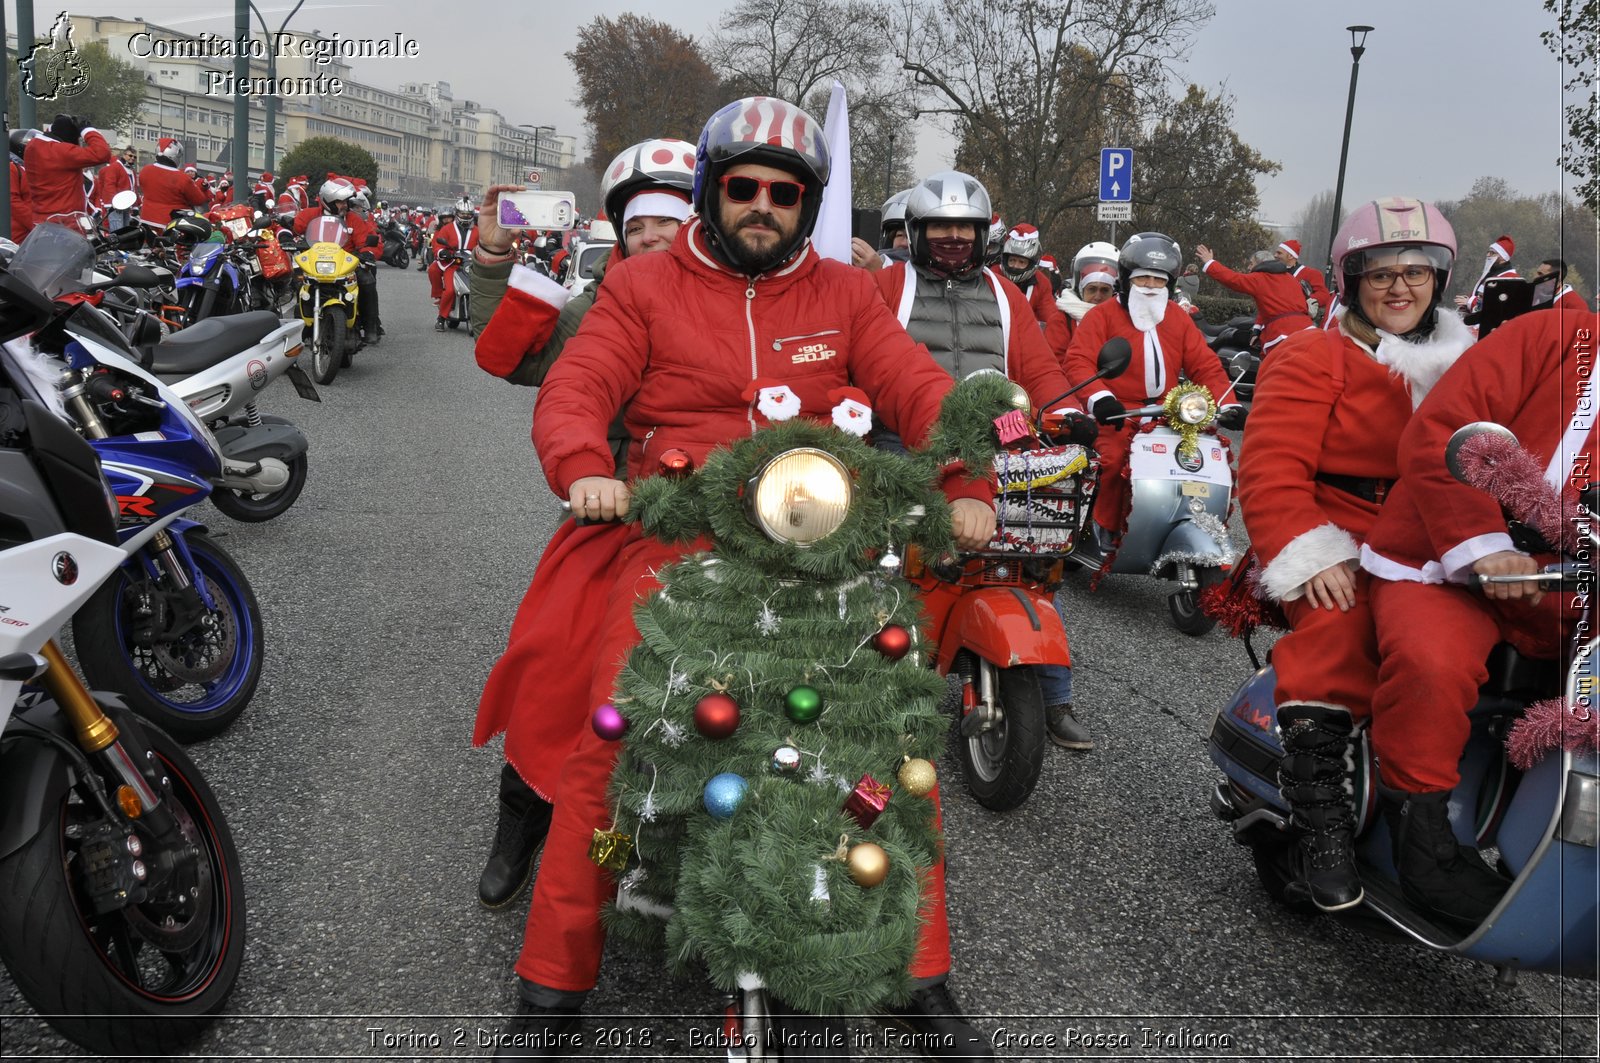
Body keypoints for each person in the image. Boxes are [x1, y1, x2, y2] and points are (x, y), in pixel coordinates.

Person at [480, 96, 997, 1060]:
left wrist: (967, 474)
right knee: (610, 759)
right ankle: (553, 982)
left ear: (808, 204)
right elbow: (578, 382)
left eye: (785, 193)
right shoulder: (641, 285)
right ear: (713, 193)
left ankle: (922, 975)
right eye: (744, 188)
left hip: (825, 552)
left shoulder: (848, 293)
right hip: (676, 547)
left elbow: (918, 387)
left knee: (898, 752)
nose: (764, 206)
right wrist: (585, 464)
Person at [469, 138, 695, 911]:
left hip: (726, 523)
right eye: (638, 226)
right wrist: (496, 262)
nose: (653, 237)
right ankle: (522, 821)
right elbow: (510, 358)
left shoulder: (742, 304)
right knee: (552, 668)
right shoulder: (595, 308)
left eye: (672, 220)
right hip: (614, 519)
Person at [1235, 196, 1473, 912]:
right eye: (1380, 274)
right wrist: (1315, 553)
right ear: (1350, 281)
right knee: (1341, 629)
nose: (1399, 287)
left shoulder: (1464, 362)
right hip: (1334, 529)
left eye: (1416, 272)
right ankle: (1320, 822)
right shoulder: (1311, 356)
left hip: (1433, 541)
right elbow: (1270, 469)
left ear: (1440, 280)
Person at [1359, 306, 1594, 925]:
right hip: (1449, 557)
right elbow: (1445, 426)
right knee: (1430, 665)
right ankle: (1423, 844)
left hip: (1577, 592)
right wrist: (1487, 548)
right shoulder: (1552, 334)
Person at [872, 172, 1090, 751]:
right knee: (890, 558)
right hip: (906, 434)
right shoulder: (888, 285)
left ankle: (1051, 689)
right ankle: (881, 666)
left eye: (963, 227)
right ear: (915, 232)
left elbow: (1038, 367)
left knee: (1037, 543)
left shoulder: (1006, 293)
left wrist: (1068, 412)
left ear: (982, 234)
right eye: (939, 226)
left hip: (999, 429)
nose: (952, 237)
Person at [1067, 232, 1245, 554]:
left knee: (1201, 456)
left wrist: (1227, 403)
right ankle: (1101, 526)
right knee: (1113, 457)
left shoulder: (1177, 319)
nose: (1150, 286)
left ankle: (1185, 521)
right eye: (1142, 278)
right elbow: (1078, 361)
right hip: (1119, 411)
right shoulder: (1103, 316)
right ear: (1126, 280)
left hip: (1169, 410)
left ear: (1170, 285)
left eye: (1158, 280)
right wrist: (1100, 398)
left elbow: (1205, 366)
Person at [292, 176, 382, 346]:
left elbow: (366, 240)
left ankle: (371, 327)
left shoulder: (353, 218)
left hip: (345, 264)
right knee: (297, 282)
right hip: (315, 263)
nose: (344, 205)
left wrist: (368, 252)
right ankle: (300, 324)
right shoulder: (309, 215)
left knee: (367, 281)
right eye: (340, 202)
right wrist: (286, 237)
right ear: (328, 201)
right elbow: (293, 228)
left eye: (346, 202)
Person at [1195, 245, 1317, 355]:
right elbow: (1269, 309)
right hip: (1306, 331)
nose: (1249, 267)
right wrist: (1256, 331)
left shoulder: (1260, 278)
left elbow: (1233, 279)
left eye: (1251, 263)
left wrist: (1210, 262)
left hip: (1281, 334)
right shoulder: (1290, 278)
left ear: (1259, 264)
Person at [998, 222, 1073, 362]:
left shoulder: (1041, 283)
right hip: (995, 342)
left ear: (1031, 263)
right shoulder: (993, 275)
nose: (1015, 266)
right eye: (1012, 260)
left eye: (1021, 262)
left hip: (1026, 345)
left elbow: (1050, 318)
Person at [23, 113, 110, 225]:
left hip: (42, 220)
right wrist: (87, 130)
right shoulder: (61, 152)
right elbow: (102, 153)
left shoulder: (32, 147)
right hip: (65, 221)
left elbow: (54, 131)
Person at [137, 138, 210, 227]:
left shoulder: (145, 170)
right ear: (174, 155)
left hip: (146, 219)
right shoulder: (182, 177)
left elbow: (143, 188)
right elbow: (198, 199)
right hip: (172, 223)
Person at [429, 198, 478, 331]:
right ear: (457, 213)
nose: (466, 216)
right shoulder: (447, 228)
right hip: (453, 263)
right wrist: (442, 252)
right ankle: (441, 318)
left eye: (468, 214)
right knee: (450, 290)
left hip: (473, 265)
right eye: (463, 214)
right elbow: (438, 246)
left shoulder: (478, 230)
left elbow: (484, 246)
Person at [1057, 241, 1118, 325]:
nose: (1097, 297)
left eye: (1105, 290)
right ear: (1081, 290)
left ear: (1113, 293)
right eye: (1092, 289)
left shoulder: (1123, 322)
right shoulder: (1061, 320)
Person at [1457, 234, 1518, 317]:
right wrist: (1464, 304)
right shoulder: (1491, 273)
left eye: (1492, 253)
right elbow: (1476, 295)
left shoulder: (1510, 278)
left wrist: (1470, 302)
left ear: (1503, 257)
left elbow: (1497, 306)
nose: (1488, 255)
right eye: (1488, 252)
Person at [1274, 238, 1333, 318]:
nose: (1275, 255)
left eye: (1279, 253)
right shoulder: (1274, 272)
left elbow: (1324, 296)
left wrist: (1301, 301)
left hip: (1298, 320)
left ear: (1291, 256)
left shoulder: (1311, 273)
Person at [90, 141, 136, 216]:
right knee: (116, 227)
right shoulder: (114, 167)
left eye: (134, 157)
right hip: (115, 205)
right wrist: (115, 203)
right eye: (130, 156)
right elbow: (109, 186)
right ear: (124, 155)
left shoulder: (131, 171)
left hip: (126, 205)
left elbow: (133, 189)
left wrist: (135, 206)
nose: (132, 158)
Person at [7, 130, 37, 243]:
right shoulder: (11, 168)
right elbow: (12, 201)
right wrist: (35, 223)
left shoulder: (27, 169)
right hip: (17, 237)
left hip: (31, 235)